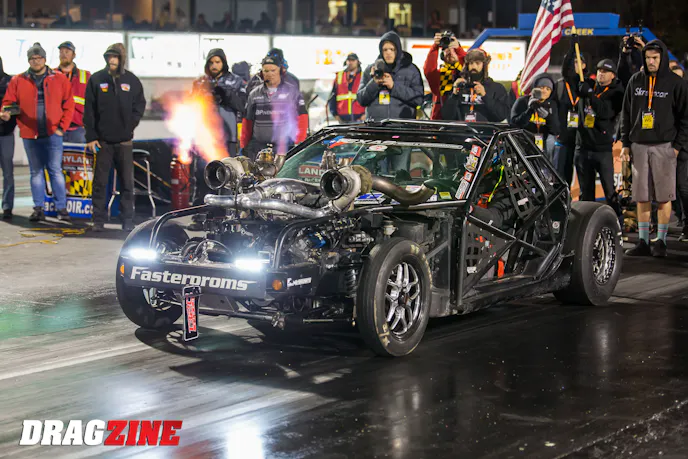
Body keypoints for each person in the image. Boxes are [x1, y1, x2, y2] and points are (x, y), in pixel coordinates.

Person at [620, 40, 688, 257]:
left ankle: (661, 241)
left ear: (663, 58)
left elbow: (685, 118)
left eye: (655, 58)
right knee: (642, 197)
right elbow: (626, 114)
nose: (651, 62)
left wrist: (676, 148)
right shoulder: (636, 80)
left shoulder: (676, 83)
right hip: (639, 146)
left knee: (663, 197)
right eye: (648, 57)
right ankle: (643, 241)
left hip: (664, 146)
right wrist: (625, 144)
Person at [1, 43, 74, 222]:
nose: (36, 61)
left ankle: (62, 208)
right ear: (28, 61)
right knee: (36, 172)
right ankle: (38, 208)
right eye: (32, 58)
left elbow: (69, 104)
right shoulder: (18, 80)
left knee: (55, 171)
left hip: (53, 134)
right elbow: (8, 102)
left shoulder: (59, 78)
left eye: (39, 58)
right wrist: (6, 112)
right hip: (30, 134)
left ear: (44, 59)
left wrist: (61, 128)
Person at [83, 43, 146, 232]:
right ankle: (98, 220)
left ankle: (127, 220)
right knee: (100, 183)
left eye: (115, 57)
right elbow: (89, 111)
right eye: (109, 56)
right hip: (102, 142)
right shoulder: (96, 79)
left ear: (121, 59)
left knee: (127, 183)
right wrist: (91, 136)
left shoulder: (132, 81)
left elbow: (140, 105)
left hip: (124, 142)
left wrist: (130, 125)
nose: (112, 60)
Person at [573, 59, 625, 219]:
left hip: (602, 150)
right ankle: (586, 224)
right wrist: (573, 55)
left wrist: (590, 94)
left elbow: (604, 112)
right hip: (583, 147)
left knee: (609, 191)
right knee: (586, 193)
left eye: (605, 71)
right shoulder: (589, 84)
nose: (601, 74)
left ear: (613, 75)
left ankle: (617, 222)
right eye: (599, 70)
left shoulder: (617, 92)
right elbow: (570, 77)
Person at [240, 53, 308, 160]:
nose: (269, 74)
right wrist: (243, 145)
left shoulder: (292, 92)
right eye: (266, 71)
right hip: (259, 149)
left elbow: (302, 118)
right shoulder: (254, 94)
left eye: (273, 70)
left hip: (285, 148)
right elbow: (247, 122)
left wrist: (299, 142)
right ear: (262, 72)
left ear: (280, 71)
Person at [357, 31, 424, 121]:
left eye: (392, 49)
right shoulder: (371, 69)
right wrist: (374, 83)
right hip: (376, 126)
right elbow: (361, 100)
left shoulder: (411, 70)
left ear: (398, 50)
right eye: (385, 50)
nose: (388, 53)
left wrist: (394, 87)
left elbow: (419, 99)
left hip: (402, 126)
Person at [192, 48, 247, 156]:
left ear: (223, 62)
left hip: (229, 135)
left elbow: (243, 105)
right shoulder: (199, 82)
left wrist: (226, 95)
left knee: (228, 164)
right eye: (211, 62)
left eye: (217, 62)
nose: (214, 66)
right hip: (205, 135)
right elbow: (191, 106)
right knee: (205, 165)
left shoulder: (236, 81)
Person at [554, 37, 589, 185]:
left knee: (584, 179)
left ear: (584, 65)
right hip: (564, 139)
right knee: (562, 178)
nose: (575, 65)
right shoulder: (561, 85)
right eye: (572, 62)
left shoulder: (587, 85)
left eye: (578, 62)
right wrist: (571, 48)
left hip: (582, 140)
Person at [441, 48, 510, 123]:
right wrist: (454, 94)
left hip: (486, 130)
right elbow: (446, 116)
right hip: (461, 129)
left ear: (484, 66)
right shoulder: (460, 87)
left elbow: (501, 115)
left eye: (477, 63)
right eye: (471, 63)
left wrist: (485, 96)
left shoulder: (496, 88)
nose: (474, 67)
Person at [510, 73, 560, 159]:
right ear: (535, 88)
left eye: (548, 89)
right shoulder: (522, 101)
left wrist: (548, 117)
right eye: (541, 87)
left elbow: (556, 130)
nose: (544, 91)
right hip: (525, 140)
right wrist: (529, 111)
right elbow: (514, 124)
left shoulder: (552, 105)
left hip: (544, 144)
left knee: (551, 140)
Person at [423, 32, 466, 120]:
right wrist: (435, 47)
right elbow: (429, 70)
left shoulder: (465, 71)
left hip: (463, 119)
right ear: (442, 55)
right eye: (446, 49)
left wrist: (459, 49)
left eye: (453, 49)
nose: (450, 51)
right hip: (441, 120)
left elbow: (469, 66)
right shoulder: (439, 75)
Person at [54, 41, 91, 143]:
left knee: (78, 153)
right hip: (56, 127)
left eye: (67, 52)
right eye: (61, 52)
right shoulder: (51, 74)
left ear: (74, 55)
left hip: (78, 128)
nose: (64, 54)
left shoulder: (86, 76)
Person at [328, 53, 366, 124]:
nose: (350, 62)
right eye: (348, 60)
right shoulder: (339, 76)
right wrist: (335, 114)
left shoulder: (363, 76)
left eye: (353, 60)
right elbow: (332, 97)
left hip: (359, 117)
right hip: (342, 118)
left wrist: (365, 114)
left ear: (357, 62)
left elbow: (369, 96)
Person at [0, 56, 16, 220]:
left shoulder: (11, 82)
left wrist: (9, 115)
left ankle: (7, 206)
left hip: (6, 133)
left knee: (8, 173)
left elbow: (17, 105)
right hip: (6, 133)